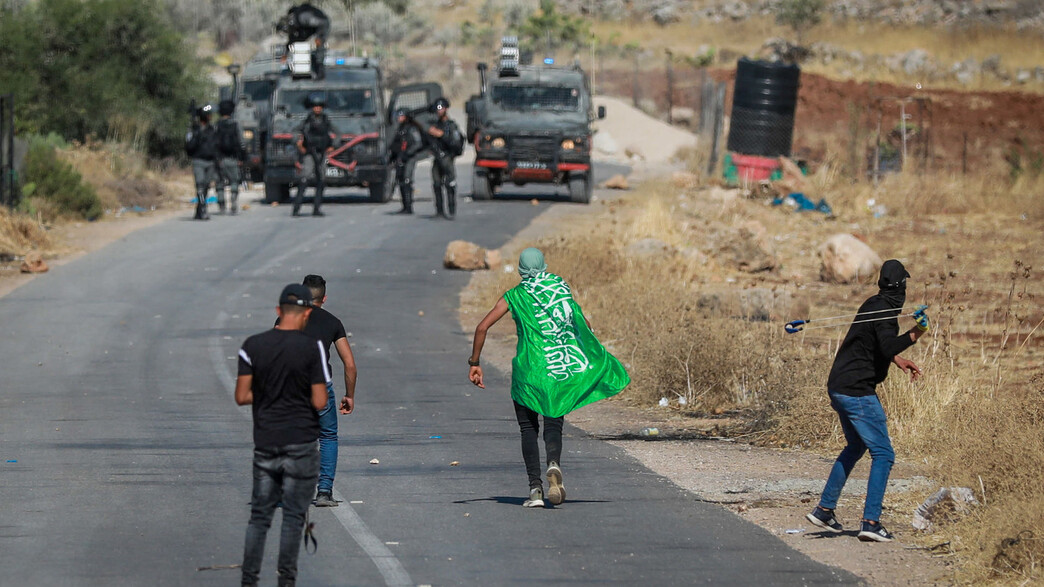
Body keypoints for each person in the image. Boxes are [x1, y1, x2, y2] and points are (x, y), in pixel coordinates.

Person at [468, 248, 630, 508]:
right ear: (543, 265)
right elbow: (585, 325)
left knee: (528, 429)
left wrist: (475, 363)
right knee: (554, 423)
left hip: (529, 373)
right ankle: (554, 464)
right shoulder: (559, 290)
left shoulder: (515, 296)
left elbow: (482, 327)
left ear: (521, 270)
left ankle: (535, 490)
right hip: (557, 372)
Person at [805, 259, 930, 543]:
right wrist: (916, 332)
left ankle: (824, 510)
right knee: (884, 454)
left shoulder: (873, 304)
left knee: (856, 445)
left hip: (838, 386)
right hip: (857, 391)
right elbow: (887, 343)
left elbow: (874, 343)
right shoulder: (885, 312)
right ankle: (871, 522)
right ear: (901, 288)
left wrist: (897, 360)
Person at [235, 284, 330, 587]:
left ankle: (249, 580)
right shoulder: (311, 347)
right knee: (292, 516)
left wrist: (268, 395)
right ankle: (285, 580)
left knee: (260, 518)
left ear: (278, 312)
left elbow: (242, 395)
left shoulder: (252, 345)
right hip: (301, 444)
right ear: (306, 313)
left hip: (266, 443)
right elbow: (320, 401)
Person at [292, 274, 358, 507]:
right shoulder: (332, 322)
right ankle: (324, 492)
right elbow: (349, 364)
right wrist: (349, 395)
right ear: (324, 298)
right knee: (328, 436)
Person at [293, 92, 336, 217]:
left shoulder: (326, 120)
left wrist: (333, 146)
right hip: (309, 154)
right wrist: (299, 143)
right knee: (304, 179)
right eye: (315, 106)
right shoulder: (307, 121)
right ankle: (297, 208)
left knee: (321, 181)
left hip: (322, 153)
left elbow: (337, 133)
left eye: (319, 106)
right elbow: (295, 132)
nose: (317, 109)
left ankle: (316, 208)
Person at [424, 98, 464, 219]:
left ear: (446, 109)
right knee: (436, 184)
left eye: (441, 108)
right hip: (437, 158)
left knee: (450, 184)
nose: (439, 111)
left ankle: (451, 210)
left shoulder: (451, 126)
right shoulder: (435, 125)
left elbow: (456, 142)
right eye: (437, 109)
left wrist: (441, 135)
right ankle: (439, 210)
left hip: (447, 157)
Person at [277, 3, 331, 79]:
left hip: (321, 25)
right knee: (298, 40)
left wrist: (319, 38)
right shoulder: (299, 17)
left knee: (319, 44)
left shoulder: (301, 16)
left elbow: (321, 24)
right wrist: (285, 53)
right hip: (311, 26)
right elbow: (293, 38)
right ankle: (314, 66)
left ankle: (320, 69)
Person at [185, 104, 218, 220]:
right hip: (198, 161)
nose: (210, 117)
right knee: (199, 185)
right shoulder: (193, 130)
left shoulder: (213, 129)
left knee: (206, 187)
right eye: (208, 114)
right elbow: (188, 146)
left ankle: (199, 209)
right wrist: (196, 134)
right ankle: (203, 209)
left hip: (210, 162)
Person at [386, 108, 423, 214]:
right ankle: (405, 206)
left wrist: (407, 153)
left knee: (407, 180)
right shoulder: (400, 129)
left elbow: (417, 143)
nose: (399, 118)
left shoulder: (412, 129)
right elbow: (396, 145)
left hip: (409, 158)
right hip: (401, 158)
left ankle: (409, 206)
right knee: (401, 181)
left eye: (401, 116)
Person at [215, 99, 247, 215]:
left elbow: (213, 143)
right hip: (233, 159)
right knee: (234, 181)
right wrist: (242, 158)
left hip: (220, 160)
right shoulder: (236, 124)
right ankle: (233, 200)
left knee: (219, 183)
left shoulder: (217, 125)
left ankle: (221, 204)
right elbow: (242, 142)